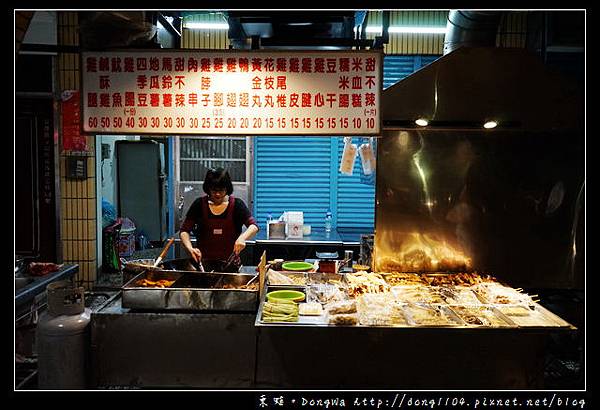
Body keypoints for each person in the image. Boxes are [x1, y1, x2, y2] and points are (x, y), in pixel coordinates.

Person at [179, 168, 259, 271]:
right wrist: (190, 248)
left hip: (230, 267)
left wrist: (242, 238)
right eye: (214, 190)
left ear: (227, 189)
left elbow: (254, 226)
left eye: (221, 190)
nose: (217, 194)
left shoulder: (237, 205)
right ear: (208, 188)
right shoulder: (199, 204)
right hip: (203, 266)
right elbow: (184, 231)